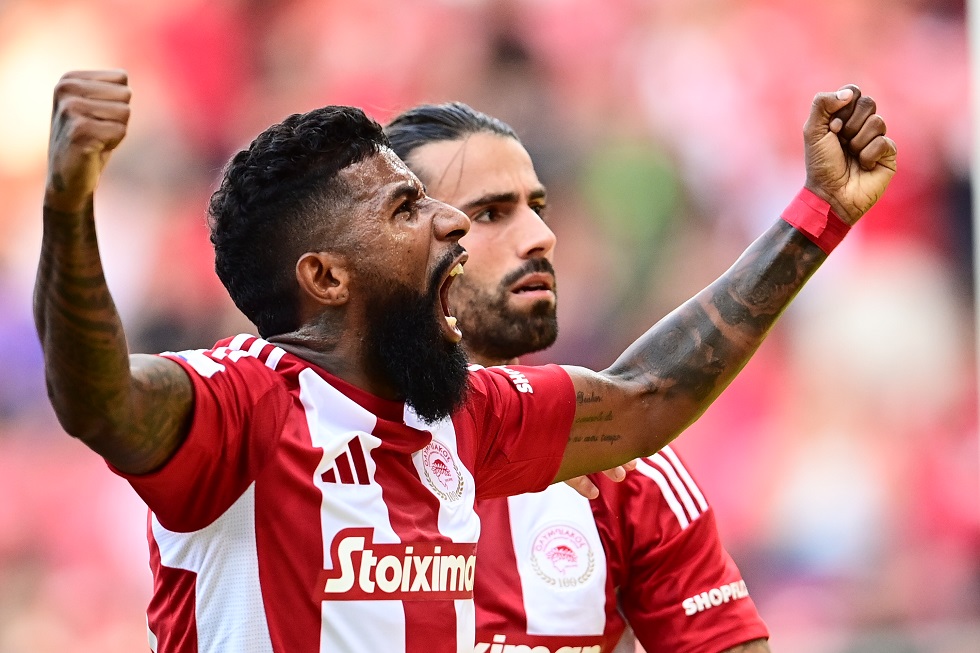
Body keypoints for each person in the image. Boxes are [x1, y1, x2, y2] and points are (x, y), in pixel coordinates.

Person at [35, 69, 896, 653]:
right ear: (327, 276)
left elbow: (645, 393)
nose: (448, 222)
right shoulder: (240, 409)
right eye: (411, 209)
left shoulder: (472, 418)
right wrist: (68, 206)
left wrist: (818, 214)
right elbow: (98, 397)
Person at [385, 102, 771, 653]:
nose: (541, 236)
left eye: (537, 208)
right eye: (491, 213)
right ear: (390, 251)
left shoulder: (619, 461)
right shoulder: (303, 448)